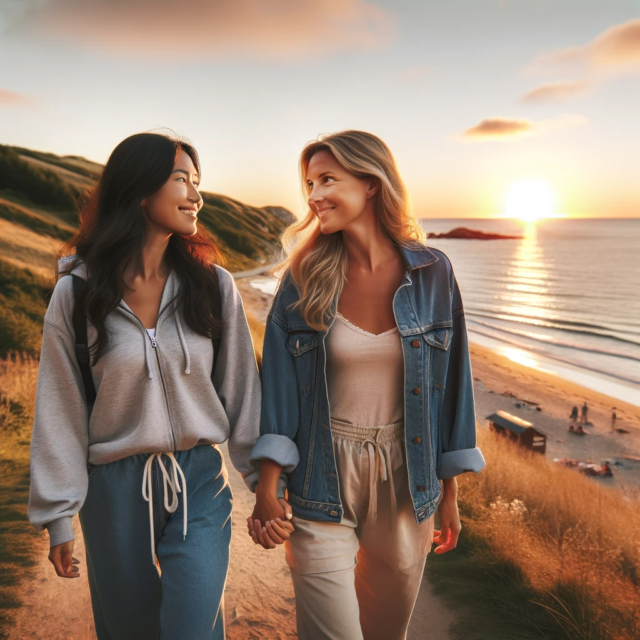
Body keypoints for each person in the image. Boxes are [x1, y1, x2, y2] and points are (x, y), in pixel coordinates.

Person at [247, 130, 486, 639]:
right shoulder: (304, 276)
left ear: (372, 183)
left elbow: (453, 386)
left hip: (406, 477)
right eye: (309, 184)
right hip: (319, 475)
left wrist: (449, 493)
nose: (313, 197)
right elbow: (280, 388)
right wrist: (268, 486)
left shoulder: (433, 273)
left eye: (327, 180)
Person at [28, 132, 263, 640]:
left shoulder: (214, 287)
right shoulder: (78, 295)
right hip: (113, 490)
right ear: (138, 190)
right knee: (128, 630)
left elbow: (243, 393)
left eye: (198, 183)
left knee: (192, 626)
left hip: (198, 479)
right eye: (182, 180)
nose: (196, 196)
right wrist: (58, 513)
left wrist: (266, 482)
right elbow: (60, 410)